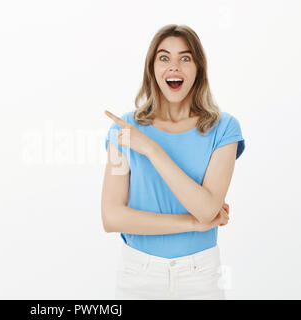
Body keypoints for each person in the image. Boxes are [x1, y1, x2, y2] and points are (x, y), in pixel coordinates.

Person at [101, 24, 245, 300]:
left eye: (185, 58)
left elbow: (206, 210)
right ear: (152, 69)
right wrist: (191, 224)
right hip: (138, 274)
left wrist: (153, 150)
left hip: (201, 275)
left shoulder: (224, 128)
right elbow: (112, 217)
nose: (174, 67)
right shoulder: (124, 129)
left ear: (198, 69)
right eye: (164, 58)